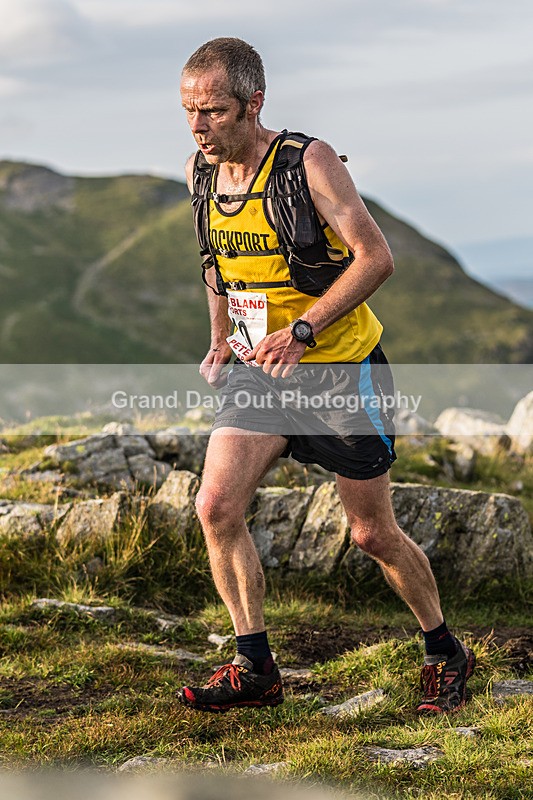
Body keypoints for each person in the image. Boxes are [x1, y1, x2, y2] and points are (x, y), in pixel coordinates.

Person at [178, 37, 475, 714]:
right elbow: (214, 263)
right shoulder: (201, 171)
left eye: (214, 111)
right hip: (260, 372)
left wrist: (304, 330)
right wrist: (220, 340)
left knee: (371, 533)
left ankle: (443, 649)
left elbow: (375, 258)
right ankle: (254, 667)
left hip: (340, 372)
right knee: (216, 506)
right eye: (189, 111)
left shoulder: (307, 163)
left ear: (253, 103)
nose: (198, 126)